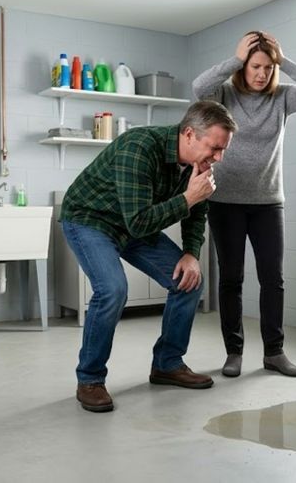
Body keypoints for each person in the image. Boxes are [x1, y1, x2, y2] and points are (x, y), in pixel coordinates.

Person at [60, 100, 237, 412]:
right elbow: (140, 220)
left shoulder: (198, 165)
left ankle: (167, 363)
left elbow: (196, 214)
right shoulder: (139, 147)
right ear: (189, 135)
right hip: (90, 220)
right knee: (113, 289)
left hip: (131, 226)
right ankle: (89, 378)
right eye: (214, 148)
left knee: (190, 280)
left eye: (223, 149)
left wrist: (191, 254)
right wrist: (188, 197)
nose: (218, 158)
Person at [192, 31, 296, 378]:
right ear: (243, 66)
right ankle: (233, 353)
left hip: (268, 203)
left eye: (269, 67)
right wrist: (235, 59)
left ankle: (274, 352)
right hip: (226, 202)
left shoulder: (281, 98)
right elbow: (198, 87)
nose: (262, 73)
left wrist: (285, 59)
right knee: (231, 279)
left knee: (273, 279)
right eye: (255, 65)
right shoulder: (223, 95)